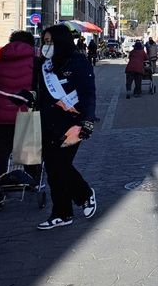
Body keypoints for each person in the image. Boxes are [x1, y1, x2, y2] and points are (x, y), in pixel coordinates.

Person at [12, 24, 97, 230]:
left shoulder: (77, 62)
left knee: (60, 165)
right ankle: (62, 213)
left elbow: (87, 93)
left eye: (50, 41)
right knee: (53, 169)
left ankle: (85, 194)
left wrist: (87, 120)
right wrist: (25, 96)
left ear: (61, 41)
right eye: (44, 42)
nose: (46, 46)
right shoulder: (42, 64)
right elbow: (36, 91)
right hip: (46, 123)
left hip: (71, 124)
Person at [0, 31, 41, 183]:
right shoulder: (36, 63)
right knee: (28, 152)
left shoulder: (0, 61)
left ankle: (0, 184)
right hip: (25, 113)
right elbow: (38, 88)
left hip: (1, 117)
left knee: (1, 153)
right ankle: (31, 180)